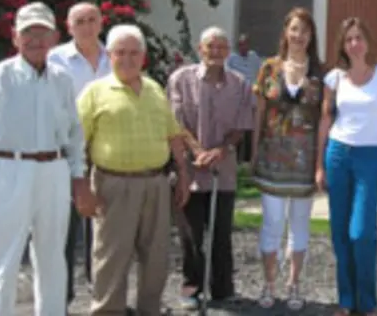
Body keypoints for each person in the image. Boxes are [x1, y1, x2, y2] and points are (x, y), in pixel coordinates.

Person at [77, 24, 191, 315]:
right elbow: (77, 142)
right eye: (120, 53)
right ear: (110, 55)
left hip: (155, 183)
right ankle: (107, 312)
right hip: (112, 185)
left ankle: (149, 310)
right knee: (111, 258)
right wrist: (82, 187)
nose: (127, 59)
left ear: (143, 57)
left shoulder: (154, 88)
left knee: (156, 258)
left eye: (133, 53)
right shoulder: (95, 92)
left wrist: (184, 174)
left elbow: (172, 134)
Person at [0, 2, 94, 316]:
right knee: (3, 259)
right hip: (9, 169)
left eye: (42, 33)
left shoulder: (62, 79)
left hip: (54, 171)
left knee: (53, 257)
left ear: (54, 37)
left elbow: (74, 134)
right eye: (28, 33)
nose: (35, 40)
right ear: (14, 37)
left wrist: (79, 178)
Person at [316, 17, 377, 316]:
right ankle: (347, 300)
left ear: (368, 42)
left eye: (359, 38)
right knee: (339, 232)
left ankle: (368, 300)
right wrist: (319, 165)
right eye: (349, 39)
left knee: (361, 232)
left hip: (370, 156)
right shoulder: (334, 78)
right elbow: (326, 121)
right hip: (338, 155)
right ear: (343, 44)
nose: (354, 44)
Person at [167, 26, 252, 310]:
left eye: (221, 47)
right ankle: (191, 288)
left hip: (222, 171)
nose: (215, 52)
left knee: (221, 232)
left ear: (228, 52)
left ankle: (222, 289)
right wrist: (197, 151)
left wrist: (221, 150)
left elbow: (241, 126)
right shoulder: (181, 79)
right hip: (189, 170)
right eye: (210, 46)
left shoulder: (240, 83)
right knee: (191, 234)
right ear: (200, 49)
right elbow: (175, 123)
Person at [251, 7, 325, 310]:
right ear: (285, 32)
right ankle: (269, 283)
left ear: (311, 37)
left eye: (305, 31)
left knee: (300, 226)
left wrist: (321, 162)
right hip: (272, 159)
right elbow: (259, 112)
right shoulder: (269, 68)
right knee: (272, 223)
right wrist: (253, 151)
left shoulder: (321, 72)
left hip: (305, 162)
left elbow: (325, 119)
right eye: (294, 29)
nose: (299, 36)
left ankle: (294, 284)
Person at [48, 1, 112, 305]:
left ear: (101, 23)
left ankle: (100, 296)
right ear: (68, 26)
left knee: (103, 231)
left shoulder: (115, 56)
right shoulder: (55, 59)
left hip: (107, 154)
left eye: (92, 19)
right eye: (80, 21)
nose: (87, 26)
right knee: (64, 229)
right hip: (65, 154)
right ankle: (60, 299)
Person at [227, 33, 263, 164]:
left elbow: (261, 72)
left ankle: (248, 158)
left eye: (246, 44)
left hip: (252, 98)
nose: (244, 47)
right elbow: (227, 76)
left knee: (250, 129)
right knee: (238, 128)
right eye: (241, 45)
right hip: (238, 99)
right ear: (238, 46)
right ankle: (236, 158)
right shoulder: (232, 58)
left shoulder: (254, 57)